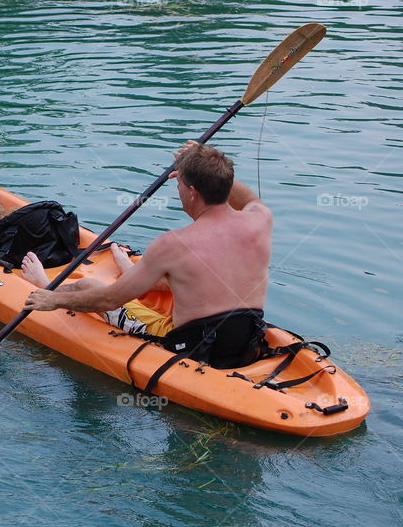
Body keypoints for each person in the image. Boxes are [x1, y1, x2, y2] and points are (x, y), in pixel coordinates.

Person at [20, 140, 271, 366]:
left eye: (180, 184)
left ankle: (46, 285)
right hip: (248, 341)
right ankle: (130, 271)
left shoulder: (172, 244)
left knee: (85, 284)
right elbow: (249, 198)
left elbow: (109, 300)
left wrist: (53, 301)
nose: (179, 190)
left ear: (192, 192)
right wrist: (204, 165)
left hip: (195, 347)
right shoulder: (260, 219)